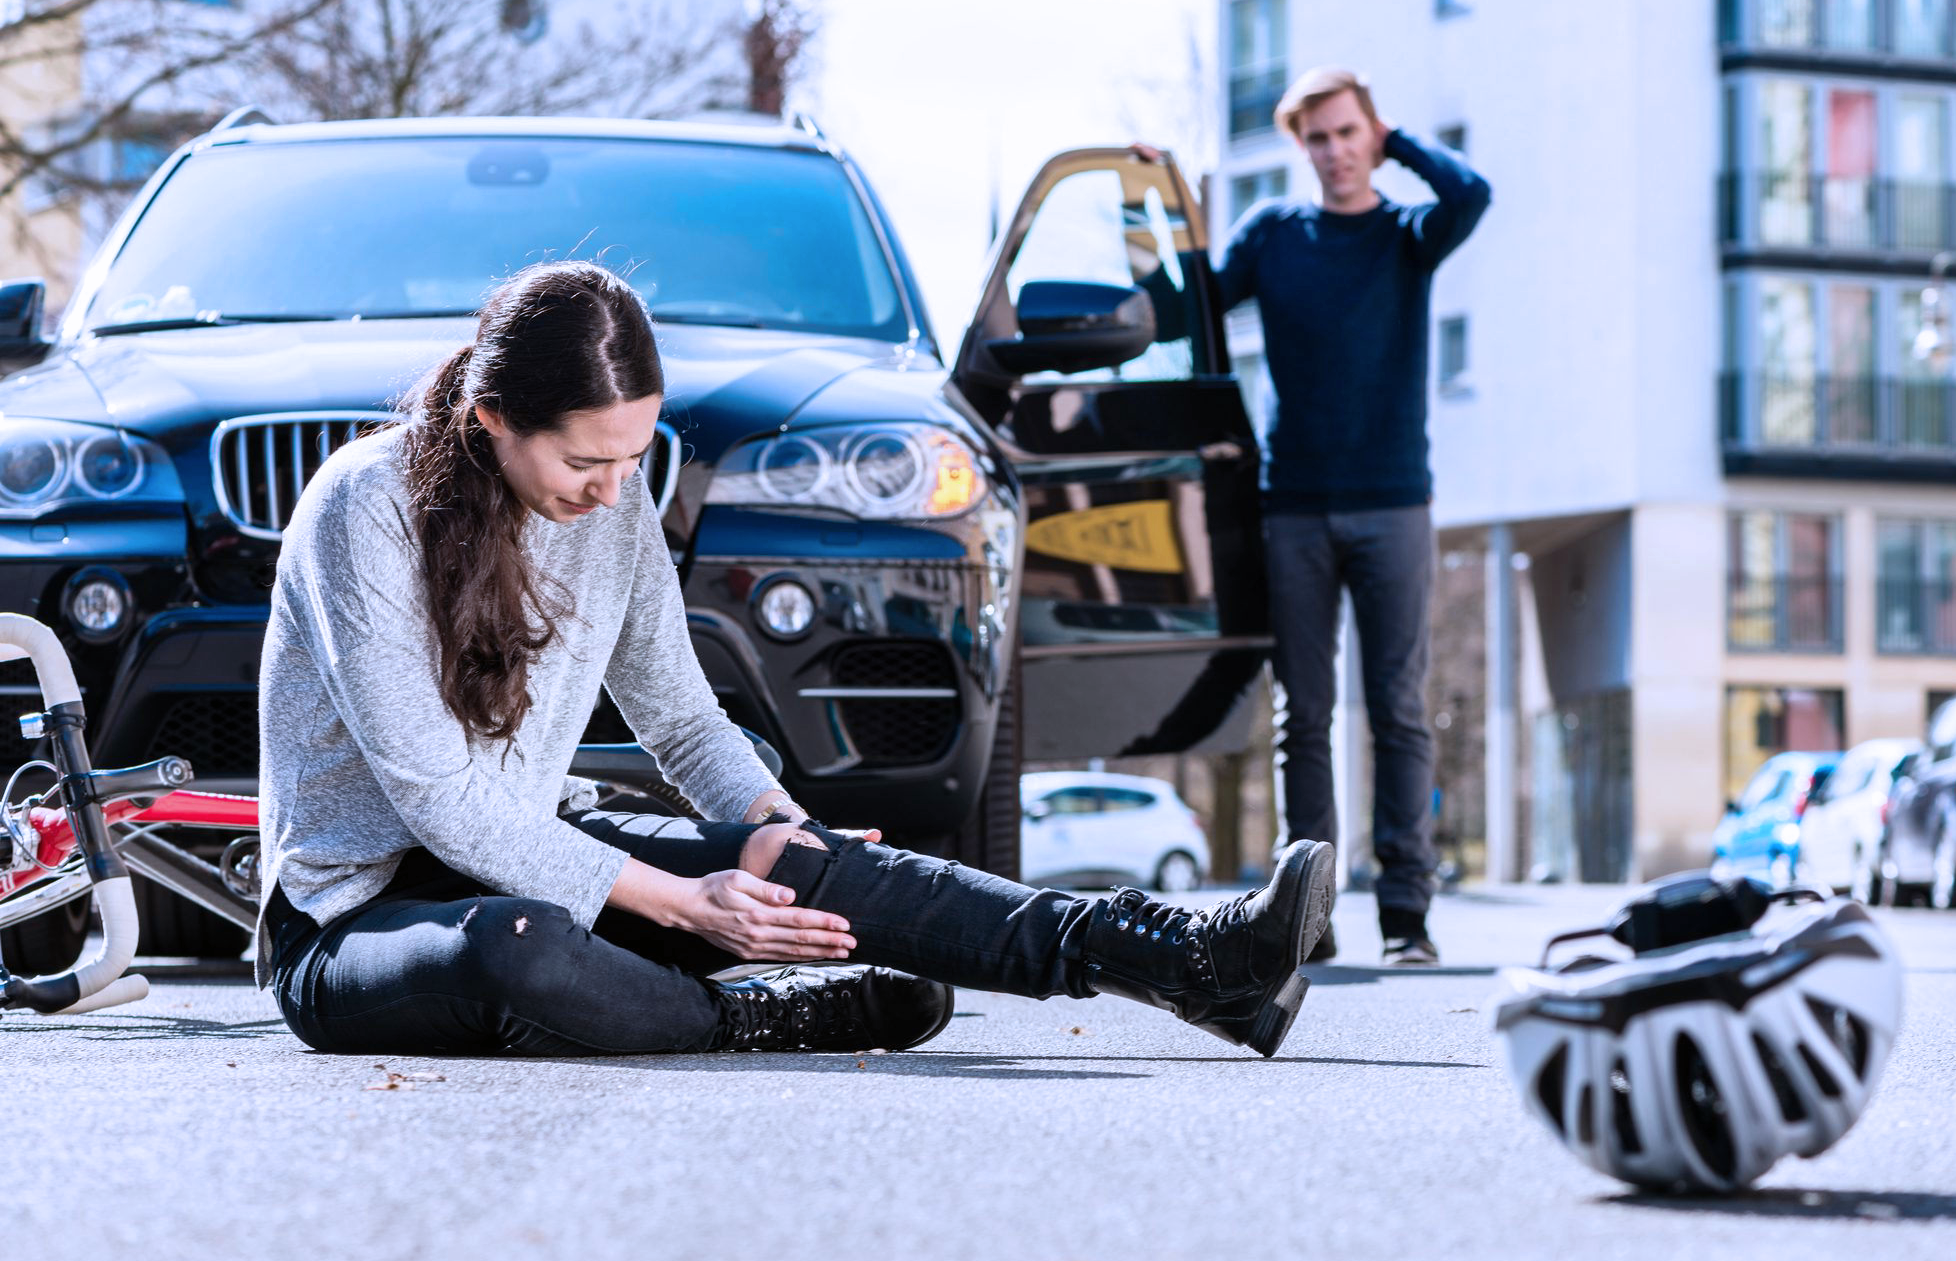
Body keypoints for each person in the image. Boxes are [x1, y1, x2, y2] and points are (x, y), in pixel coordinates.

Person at [255, 260, 1337, 1059]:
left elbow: (680, 722)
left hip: (534, 845)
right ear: (493, 417)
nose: (612, 487)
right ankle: (754, 1015)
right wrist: (686, 906)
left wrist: (782, 828)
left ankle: (1186, 962)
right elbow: (439, 801)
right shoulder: (367, 507)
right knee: (519, 946)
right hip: (355, 924)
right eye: (586, 459)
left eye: (635, 455)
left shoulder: (613, 501)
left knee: (787, 859)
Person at [1215, 68, 1491, 965]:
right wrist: (1160, 193)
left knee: (1401, 711)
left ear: (1371, 133)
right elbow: (1196, 297)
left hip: (1394, 505)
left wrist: (1397, 136)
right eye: (1319, 139)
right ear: (1302, 150)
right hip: (1292, 504)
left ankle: (1407, 915)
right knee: (1305, 716)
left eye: (1348, 133)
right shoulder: (1274, 236)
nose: (1334, 152)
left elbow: (1471, 192)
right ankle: (1310, 912)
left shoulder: (1409, 236)